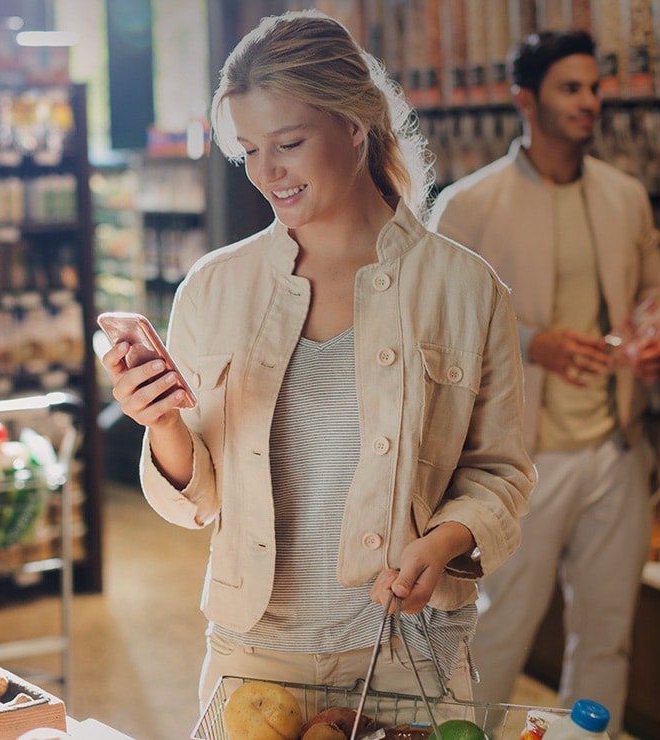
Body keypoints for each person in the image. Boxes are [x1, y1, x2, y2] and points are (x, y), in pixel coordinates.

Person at [100, 10, 534, 711]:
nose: (268, 173)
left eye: (289, 143)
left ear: (354, 125)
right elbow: (199, 501)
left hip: (408, 654)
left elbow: (501, 473)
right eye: (249, 151)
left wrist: (444, 540)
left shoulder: (465, 288)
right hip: (254, 656)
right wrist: (162, 425)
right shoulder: (214, 287)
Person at [427, 29, 660, 732]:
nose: (589, 102)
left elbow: (657, 294)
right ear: (524, 101)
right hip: (519, 463)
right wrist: (536, 344)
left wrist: (657, 340)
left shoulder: (625, 196)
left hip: (615, 450)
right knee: (498, 630)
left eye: (594, 87)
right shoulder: (469, 206)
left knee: (606, 638)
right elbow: (433, 329)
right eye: (571, 88)